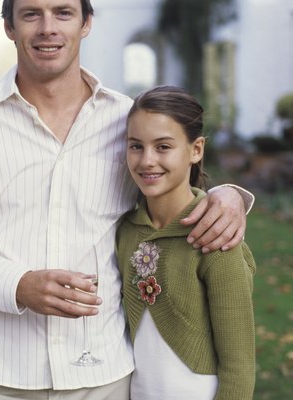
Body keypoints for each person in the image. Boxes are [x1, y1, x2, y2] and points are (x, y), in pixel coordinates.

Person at [0, 0, 254, 398]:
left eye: (63, 12)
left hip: (106, 377)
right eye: (31, 14)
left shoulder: (124, 120)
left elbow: (166, 184)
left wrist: (229, 194)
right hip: (1, 374)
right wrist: (18, 285)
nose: (48, 27)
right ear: (9, 28)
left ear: (86, 23)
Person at [117, 85, 255, 399]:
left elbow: (239, 367)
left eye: (163, 147)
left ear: (196, 150)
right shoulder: (126, 231)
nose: (147, 160)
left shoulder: (216, 238)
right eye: (136, 146)